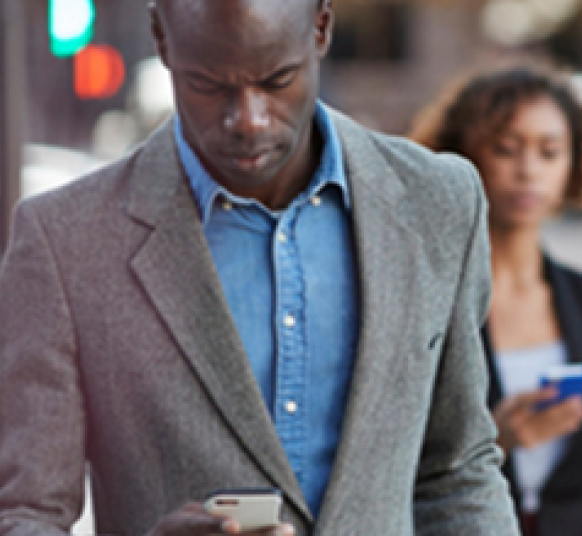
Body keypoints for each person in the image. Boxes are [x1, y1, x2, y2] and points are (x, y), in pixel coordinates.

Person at [0, 1, 520, 535]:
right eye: (207, 85)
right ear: (161, 38)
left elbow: (456, 471)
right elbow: (24, 515)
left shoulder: (438, 201)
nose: (247, 120)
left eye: (277, 80)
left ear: (321, 27)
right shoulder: (66, 240)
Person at [409, 63, 582, 536]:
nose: (528, 170)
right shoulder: (421, 304)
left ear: (574, 162)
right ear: (460, 156)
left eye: (549, 151)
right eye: (505, 148)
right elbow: (383, 471)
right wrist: (495, 441)